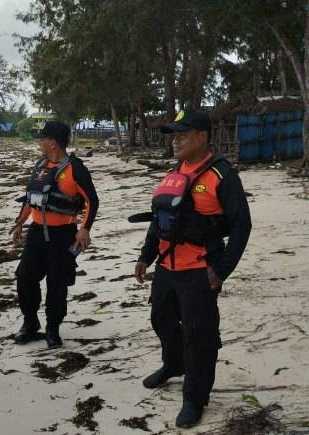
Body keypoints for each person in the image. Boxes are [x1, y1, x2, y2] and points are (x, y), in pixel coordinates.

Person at [132, 110, 251, 428]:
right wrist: (146, 256)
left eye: (182, 135)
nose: (175, 141)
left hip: (200, 271)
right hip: (167, 267)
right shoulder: (176, 171)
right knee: (161, 318)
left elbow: (242, 226)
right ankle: (173, 365)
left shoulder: (222, 175)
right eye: (173, 136)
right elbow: (160, 218)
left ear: (202, 136)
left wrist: (221, 270)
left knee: (200, 337)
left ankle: (194, 398)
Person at [12, 121, 99, 349]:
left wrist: (84, 228)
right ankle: (30, 323)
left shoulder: (75, 169)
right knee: (24, 277)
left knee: (57, 284)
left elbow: (92, 200)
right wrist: (20, 223)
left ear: (52, 142)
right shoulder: (40, 165)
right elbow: (31, 198)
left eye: (42, 138)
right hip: (37, 233)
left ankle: (53, 328)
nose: (39, 142)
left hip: (63, 235)